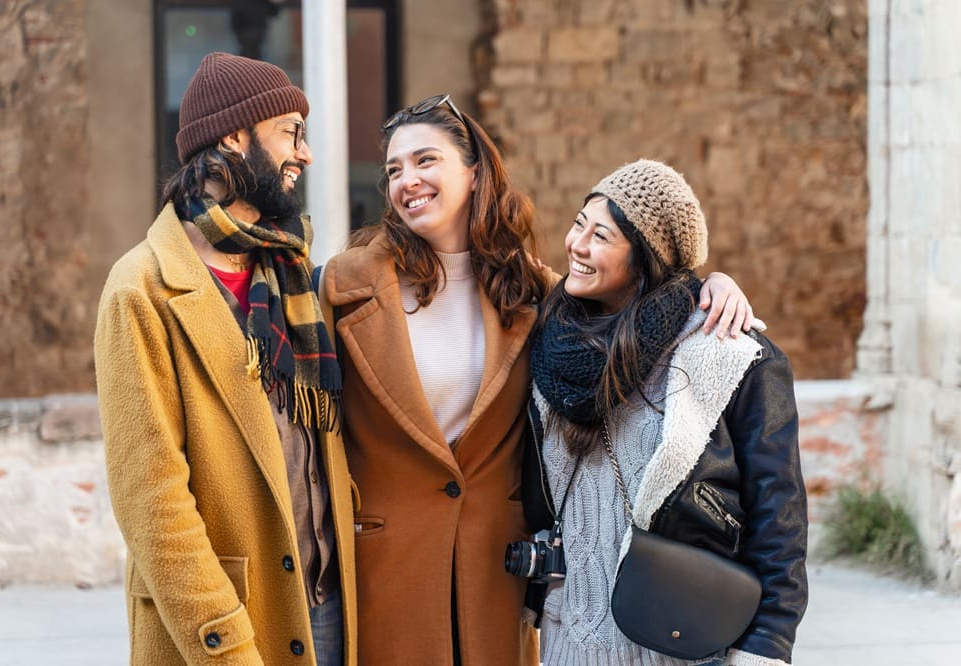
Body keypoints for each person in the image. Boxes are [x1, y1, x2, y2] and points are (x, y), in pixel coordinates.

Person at [318, 94, 756, 665]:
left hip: (494, 576)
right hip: (383, 565)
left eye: (426, 160)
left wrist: (709, 285)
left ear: (474, 172)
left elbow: (633, 298)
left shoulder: (533, 292)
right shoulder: (338, 286)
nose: (407, 181)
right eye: (394, 169)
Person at [94, 52, 356, 665]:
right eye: (291, 133)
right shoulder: (141, 289)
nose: (307, 154)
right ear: (234, 138)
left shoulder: (290, 272)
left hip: (328, 609)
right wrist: (226, 647)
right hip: (227, 625)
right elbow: (152, 503)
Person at [528, 159, 808, 665]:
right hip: (568, 644)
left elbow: (779, 520)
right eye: (578, 224)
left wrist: (767, 646)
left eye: (602, 236)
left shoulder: (724, 354)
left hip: (679, 647)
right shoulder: (550, 345)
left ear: (646, 258)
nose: (577, 245)